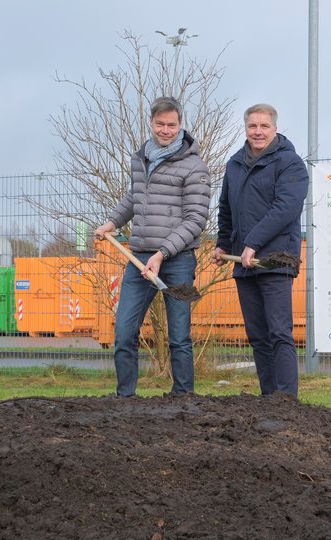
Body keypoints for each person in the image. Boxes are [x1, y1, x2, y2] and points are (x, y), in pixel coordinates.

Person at [94, 96, 211, 397]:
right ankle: (125, 397)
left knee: (179, 336)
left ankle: (183, 397)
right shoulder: (141, 157)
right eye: (160, 124)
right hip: (139, 258)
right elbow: (135, 198)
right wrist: (112, 222)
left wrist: (163, 254)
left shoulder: (194, 165)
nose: (165, 130)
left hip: (177, 259)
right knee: (123, 332)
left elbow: (196, 219)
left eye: (171, 125)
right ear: (151, 122)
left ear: (180, 125)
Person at [212, 104, 309, 397]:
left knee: (279, 333)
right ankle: (269, 397)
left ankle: (286, 399)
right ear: (246, 128)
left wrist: (252, 243)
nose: (258, 132)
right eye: (253, 126)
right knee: (257, 336)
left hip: (275, 261)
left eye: (264, 126)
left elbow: (285, 209)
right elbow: (226, 209)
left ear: (275, 128)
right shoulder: (234, 164)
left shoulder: (290, 163)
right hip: (244, 263)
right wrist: (222, 244)